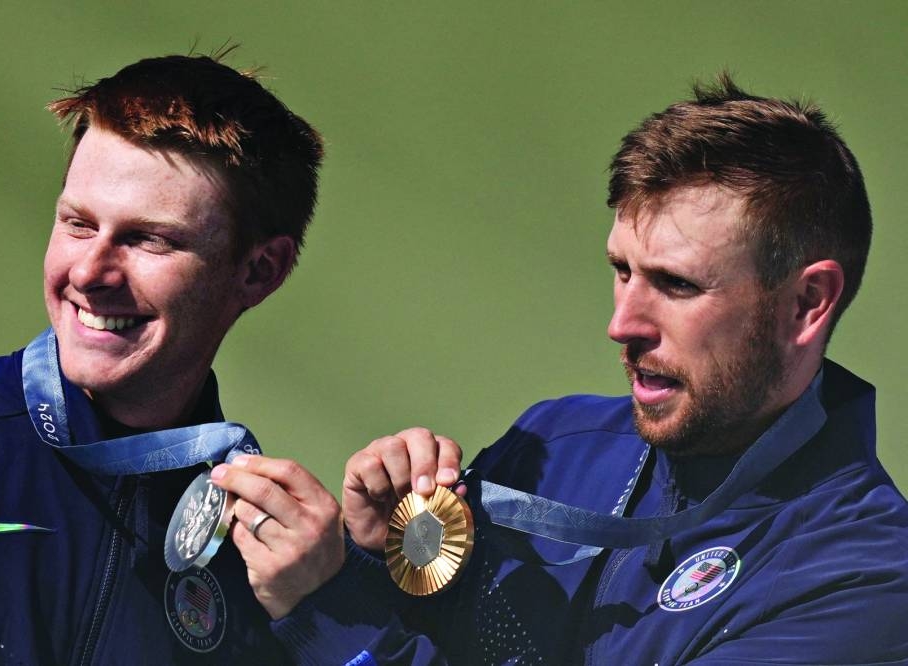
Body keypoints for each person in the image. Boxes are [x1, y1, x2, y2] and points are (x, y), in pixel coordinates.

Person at [281, 75, 908, 664]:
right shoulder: (555, 446)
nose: (623, 324)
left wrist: (327, 613)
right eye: (622, 271)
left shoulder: (861, 584)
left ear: (806, 303)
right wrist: (373, 559)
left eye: (676, 283)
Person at [0, 53, 345, 664]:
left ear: (258, 270)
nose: (88, 273)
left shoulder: (269, 565)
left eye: (148, 239)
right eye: (78, 224)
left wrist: (323, 620)